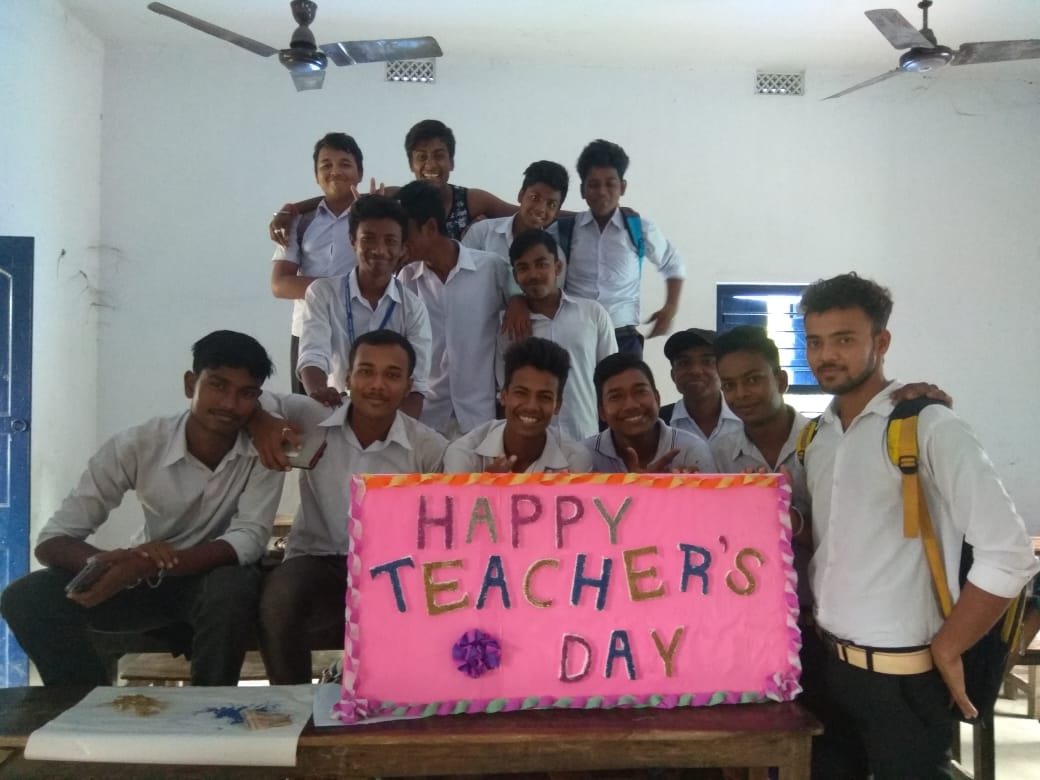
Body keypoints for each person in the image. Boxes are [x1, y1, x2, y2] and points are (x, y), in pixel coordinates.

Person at [798, 272, 1037, 779]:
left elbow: (1009, 553)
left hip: (906, 681)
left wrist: (950, 646)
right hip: (830, 671)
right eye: (815, 342)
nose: (826, 355)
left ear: (881, 342)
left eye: (844, 340)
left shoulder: (929, 426)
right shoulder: (817, 437)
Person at [0, 331, 285, 686]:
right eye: (217, 385)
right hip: (141, 583)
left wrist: (151, 563)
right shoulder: (138, 444)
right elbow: (53, 539)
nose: (229, 403)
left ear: (257, 400)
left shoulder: (265, 451)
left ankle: (210, 708)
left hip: (209, 583)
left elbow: (249, 539)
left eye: (246, 393)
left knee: (231, 585)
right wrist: (107, 564)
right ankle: (84, 705)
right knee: (26, 597)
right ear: (190, 384)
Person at [255, 330, 448, 684]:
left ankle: (393, 701)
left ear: (408, 386)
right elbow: (259, 397)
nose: (377, 385)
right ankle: (292, 703)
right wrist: (264, 422)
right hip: (317, 559)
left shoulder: (428, 448)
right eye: (366, 371)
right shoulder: (312, 417)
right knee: (280, 595)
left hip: (391, 569)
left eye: (392, 375)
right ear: (347, 378)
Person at [269, 119, 517, 244]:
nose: (430, 165)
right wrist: (290, 210)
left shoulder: (471, 200)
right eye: (421, 157)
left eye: (439, 156)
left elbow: (524, 215)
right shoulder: (397, 198)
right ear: (411, 165)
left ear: (451, 162)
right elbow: (344, 200)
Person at [296, 193, 431, 419]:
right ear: (353, 241)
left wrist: (398, 430)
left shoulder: (413, 307)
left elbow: (416, 384)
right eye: (368, 239)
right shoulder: (323, 293)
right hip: (335, 413)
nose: (379, 250)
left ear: (403, 249)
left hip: (391, 418)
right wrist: (319, 395)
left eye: (390, 241)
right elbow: (312, 355)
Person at [395, 180, 510, 438]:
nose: (399, 243)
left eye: (405, 234)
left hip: (479, 419)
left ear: (430, 227)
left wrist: (519, 302)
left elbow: (524, 305)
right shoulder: (406, 280)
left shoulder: (491, 269)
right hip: (426, 419)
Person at [563, 139, 686, 357]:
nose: (602, 192)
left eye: (610, 184)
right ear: (582, 190)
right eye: (593, 185)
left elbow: (672, 263)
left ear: (623, 187)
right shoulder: (566, 230)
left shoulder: (639, 229)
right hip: (575, 337)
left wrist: (671, 307)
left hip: (623, 338)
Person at [497, 229, 615, 440]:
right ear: (515, 276)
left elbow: (611, 377)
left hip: (585, 437)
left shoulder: (592, 313)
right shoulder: (509, 326)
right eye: (523, 267)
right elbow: (505, 385)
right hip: (532, 443)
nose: (533, 274)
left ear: (558, 267)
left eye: (541, 264)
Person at [270, 133, 363, 393]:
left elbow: (401, 192)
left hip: (360, 327)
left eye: (345, 164)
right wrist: (347, 288)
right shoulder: (298, 222)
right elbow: (280, 284)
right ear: (315, 175)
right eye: (326, 165)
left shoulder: (373, 217)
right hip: (306, 331)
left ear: (360, 172)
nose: (335, 172)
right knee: (308, 409)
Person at [447, 337, 593, 473]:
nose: (531, 406)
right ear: (504, 396)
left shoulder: (574, 460)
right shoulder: (465, 454)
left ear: (558, 405)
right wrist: (483, 487)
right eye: (521, 393)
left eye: (544, 397)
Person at [584, 353, 717, 473]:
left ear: (657, 399)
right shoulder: (584, 456)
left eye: (640, 392)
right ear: (601, 412)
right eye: (616, 397)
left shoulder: (690, 450)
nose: (631, 405)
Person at [460, 160, 569, 258]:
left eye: (551, 204)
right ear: (521, 195)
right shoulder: (482, 232)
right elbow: (460, 270)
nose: (541, 209)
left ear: (557, 212)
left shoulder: (554, 255)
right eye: (534, 198)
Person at [659, 327, 744, 444]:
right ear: (673, 375)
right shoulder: (657, 424)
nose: (696, 371)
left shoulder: (745, 417)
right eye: (684, 363)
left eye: (707, 361)